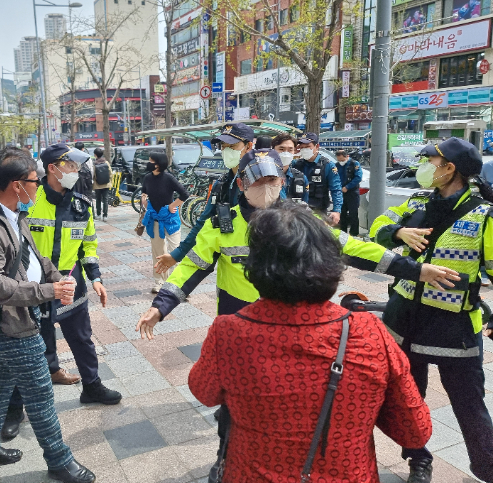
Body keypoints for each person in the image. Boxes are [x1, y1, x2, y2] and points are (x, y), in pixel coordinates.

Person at [137, 149, 459, 483]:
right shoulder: (224, 223)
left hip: (305, 322)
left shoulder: (302, 222)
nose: (266, 187)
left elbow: (356, 247)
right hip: (246, 326)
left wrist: (414, 269)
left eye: (272, 179)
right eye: (258, 180)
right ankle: (224, 456)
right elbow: (192, 266)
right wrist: (162, 304)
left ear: (283, 180)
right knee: (234, 410)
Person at [188, 203, 433, 483]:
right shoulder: (368, 332)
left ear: (255, 265)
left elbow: (204, 392)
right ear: (329, 262)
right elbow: (415, 430)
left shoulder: (229, 332)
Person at [0, 152, 95, 483]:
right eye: (34, 181)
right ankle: (59, 461)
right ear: (16, 185)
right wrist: (48, 292)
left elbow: (34, 258)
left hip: (24, 313)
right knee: (40, 395)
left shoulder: (14, 214)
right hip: (9, 323)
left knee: (0, 385)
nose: (38, 187)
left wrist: (56, 279)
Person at [370, 137, 493, 483]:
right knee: (410, 401)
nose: (423, 166)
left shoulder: (485, 215)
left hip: (454, 328)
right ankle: (418, 460)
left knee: (469, 405)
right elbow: (379, 226)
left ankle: (487, 467)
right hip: (404, 321)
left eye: (430, 160)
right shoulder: (417, 200)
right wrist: (398, 233)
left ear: (449, 168)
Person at [28, 144, 120, 404]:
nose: (75, 171)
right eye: (70, 165)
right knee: (34, 343)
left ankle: (92, 386)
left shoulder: (82, 205)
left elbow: (88, 244)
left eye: (77, 166)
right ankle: (22, 402)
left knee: (82, 338)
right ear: (52, 169)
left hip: (71, 285)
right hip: (36, 287)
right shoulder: (29, 203)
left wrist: (96, 278)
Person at [153, 123, 254, 276]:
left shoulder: (262, 181)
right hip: (229, 269)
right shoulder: (222, 184)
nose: (226, 151)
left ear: (248, 146)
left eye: (232, 146)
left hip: (259, 267)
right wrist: (177, 254)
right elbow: (202, 222)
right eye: (223, 146)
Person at [141, 151, 189, 293]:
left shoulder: (168, 178)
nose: (148, 163)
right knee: (158, 252)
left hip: (170, 220)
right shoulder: (147, 178)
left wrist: (172, 206)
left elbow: (184, 194)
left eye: (151, 161)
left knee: (176, 251)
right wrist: (144, 199)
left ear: (158, 164)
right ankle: (159, 281)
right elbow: (144, 192)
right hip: (154, 219)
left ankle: (177, 283)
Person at [293, 132, 343, 224]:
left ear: (317, 147)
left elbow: (336, 189)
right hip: (298, 212)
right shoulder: (296, 164)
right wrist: (292, 152)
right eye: (302, 147)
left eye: (307, 147)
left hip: (318, 211)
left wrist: (337, 211)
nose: (304, 150)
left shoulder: (327, 165)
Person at [271, 133, 308, 202]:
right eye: (281, 149)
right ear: (272, 150)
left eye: (290, 150)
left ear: (294, 152)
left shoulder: (300, 177)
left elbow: (304, 205)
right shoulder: (263, 176)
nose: (286, 153)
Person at [335, 148, 363, 236]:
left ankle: (354, 233)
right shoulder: (336, 165)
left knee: (353, 213)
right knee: (342, 214)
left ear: (347, 156)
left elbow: (358, 177)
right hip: (341, 192)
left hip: (352, 192)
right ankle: (343, 233)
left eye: (342, 160)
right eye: (339, 160)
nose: (341, 162)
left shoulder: (354, 164)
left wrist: (347, 187)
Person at [92, 147, 113, 222]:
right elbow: (110, 173)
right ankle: (105, 216)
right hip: (106, 184)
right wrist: (110, 182)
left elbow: (93, 174)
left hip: (97, 185)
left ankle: (98, 214)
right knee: (105, 199)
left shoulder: (94, 163)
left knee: (98, 199)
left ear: (95, 155)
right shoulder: (106, 162)